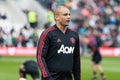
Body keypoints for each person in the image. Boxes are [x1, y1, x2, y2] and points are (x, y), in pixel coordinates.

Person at [36, 6, 81, 80]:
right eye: (65, 15)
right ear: (56, 17)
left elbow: (76, 58)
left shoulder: (74, 35)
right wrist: (47, 77)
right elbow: (40, 57)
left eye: (69, 14)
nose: (68, 17)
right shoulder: (48, 33)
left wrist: (77, 78)